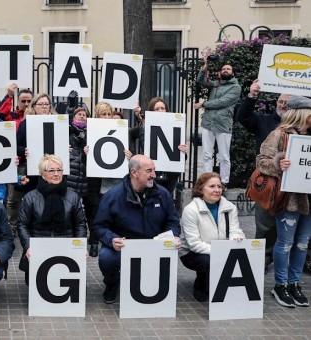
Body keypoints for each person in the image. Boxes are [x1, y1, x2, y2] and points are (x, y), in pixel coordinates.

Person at [92, 154, 181, 304]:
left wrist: (173, 236)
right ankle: (112, 284)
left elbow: (173, 222)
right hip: (124, 246)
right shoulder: (112, 197)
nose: (154, 175)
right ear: (134, 172)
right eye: (149, 171)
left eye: (154, 170)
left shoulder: (162, 194)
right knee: (107, 257)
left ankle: (152, 284)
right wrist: (111, 239)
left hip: (154, 244)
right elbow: (99, 226)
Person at [256, 96, 311, 308]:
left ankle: (294, 283)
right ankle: (280, 285)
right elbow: (262, 161)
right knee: (286, 242)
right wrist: (280, 163)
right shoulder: (280, 134)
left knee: (302, 243)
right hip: (289, 199)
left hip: (308, 200)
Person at [237, 80, 292, 274]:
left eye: (287, 101)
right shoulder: (264, 121)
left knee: (292, 221)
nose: (282, 104)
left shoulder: (303, 127)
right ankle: (264, 256)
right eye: (280, 100)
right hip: (268, 181)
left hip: (293, 182)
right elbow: (243, 117)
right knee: (264, 223)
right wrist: (252, 95)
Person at [17, 155, 87, 284]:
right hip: (39, 249)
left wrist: (81, 246)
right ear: (43, 174)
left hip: (65, 249)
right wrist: (28, 246)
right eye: (52, 171)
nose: (56, 174)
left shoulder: (73, 197)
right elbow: (22, 225)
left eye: (59, 170)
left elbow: (80, 224)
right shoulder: (30, 197)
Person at [179, 172, 245, 302]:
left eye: (219, 187)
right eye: (212, 186)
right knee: (207, 261)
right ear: (200, 189)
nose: (217, 190)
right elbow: (194, 244)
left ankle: (222, 283)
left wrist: (237, 236)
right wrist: (220, 252)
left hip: (219, 249)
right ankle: (201, 283)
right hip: (192, 253)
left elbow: (235, 229)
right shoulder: (191, 210)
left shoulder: (230, 207)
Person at [194, 61, 241, 186]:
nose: (226, 70)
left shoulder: (236, 87)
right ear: (221, 72)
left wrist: (203, 104)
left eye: (228, 69)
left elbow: (222, 102)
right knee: (206, 154)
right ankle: (207, 181)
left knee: (224, 156)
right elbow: (201, 82)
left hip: (223, 125)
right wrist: (204, 68)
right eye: (224, 68)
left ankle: (224, 182)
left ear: (233, 73)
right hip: (208, 123)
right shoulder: (216, 84)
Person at [132, 97, 189, 195]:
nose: (160, 111)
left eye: (163, 108)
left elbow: (179, 154)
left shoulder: (175, 125)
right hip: (153, 172)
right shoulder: (145, 127)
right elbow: (144, 145)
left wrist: (184, 151)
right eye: (157, 109)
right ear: (151, 111)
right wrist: (140, 119)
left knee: (166, 199)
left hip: (171, 173)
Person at [0, 86, 33, 230]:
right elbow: (0, 114)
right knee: (13, 198)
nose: (26, 104)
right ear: (18, 102)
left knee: (33, 197)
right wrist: (9, 96)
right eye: (23, 101)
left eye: (29, 101)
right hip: (17, 162)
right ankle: (11, 227)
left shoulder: (38, 118)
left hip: (35, 163)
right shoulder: (11, 116)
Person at [68, 107, 99, 256]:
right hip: (72, 179)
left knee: (91, 214)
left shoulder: (93, 133)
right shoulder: (67, 132)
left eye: (85, 115)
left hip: (88, 180)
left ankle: (93, 243)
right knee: (71, 212)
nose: (82, 116)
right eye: (79, 114)